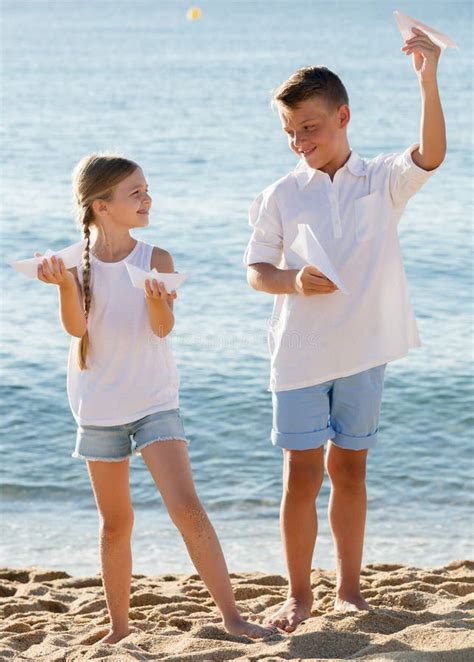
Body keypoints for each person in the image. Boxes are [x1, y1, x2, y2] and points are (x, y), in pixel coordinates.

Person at [244, 29, 445, 632]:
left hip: (362, 353)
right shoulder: (280, 194)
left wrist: (427, 79)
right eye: (289, 132)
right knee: (301, 476)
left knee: (350, 472)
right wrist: (293, 282)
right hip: (299, 355)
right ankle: (299, 595)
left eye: (308, 126)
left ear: (343, 116)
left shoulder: (381, 179)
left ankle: (350, 589)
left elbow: (431, 154)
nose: (298, 141)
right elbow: (256, 272)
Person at [36, 154, 277, 644]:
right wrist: (64, 286)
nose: (148, 199)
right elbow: (76, 328)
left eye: (146, 189)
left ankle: (232, 616)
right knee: (115, 523)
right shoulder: (69, 262)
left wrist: (154, 299)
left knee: (187, 507)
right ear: (101, 206)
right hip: (98, 406)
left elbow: (163, 329)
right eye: (136, 193)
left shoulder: (156, 259)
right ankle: (119, 627)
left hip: (153, 401)